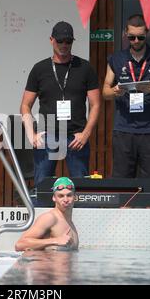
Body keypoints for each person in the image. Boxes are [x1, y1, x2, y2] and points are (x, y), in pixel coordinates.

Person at [20, 21, 100, 194]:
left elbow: (95, 105)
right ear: (51, 40)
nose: (64, 45)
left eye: (68, 41)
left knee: (79, 189)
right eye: (60, 40)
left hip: (76, 137)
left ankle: (79, 220)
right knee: (42, 188)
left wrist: (85, 135)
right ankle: (44, 220)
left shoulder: (84, 67)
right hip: (47, 136)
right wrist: (31, 134)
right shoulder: (40, 69)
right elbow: (25, 105)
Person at [102, 14, 150, 178]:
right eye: (132, 37)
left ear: (147, 33)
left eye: (140, 37)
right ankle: (125, 205)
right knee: (122, 179)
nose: (136, 41)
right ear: (125, 34)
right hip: (124, 130)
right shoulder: (116, 59)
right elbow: (105, 93)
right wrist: (115, 90)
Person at [15, 177, 79, 251]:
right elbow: (20, 244)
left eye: (69, 195)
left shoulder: (69, 222)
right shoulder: (50, 218)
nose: (65, 200)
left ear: (75, 197)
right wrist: (55, 241)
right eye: (61, 196)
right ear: (54, 198)